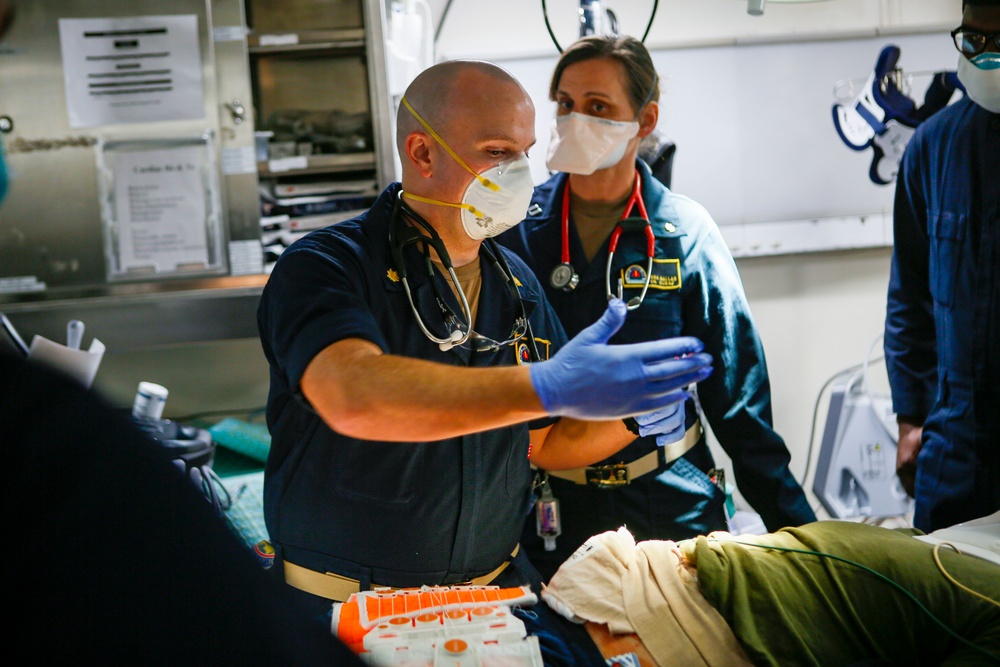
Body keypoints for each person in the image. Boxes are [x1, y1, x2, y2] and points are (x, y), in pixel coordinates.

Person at [255, 59, 714, 626]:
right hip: (347, 609)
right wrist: (542, 384)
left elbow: (544, 444)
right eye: (498, 153)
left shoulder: (515, 283)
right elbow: (352, 393)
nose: (520, 173)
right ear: (422, 153)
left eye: (525, 152)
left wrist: (635, 416)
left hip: (494, 601)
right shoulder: (327, 266)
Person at [497, 35, 815, 579]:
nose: (575, 120)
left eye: (598, 107)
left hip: (670, 502)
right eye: (565, 105)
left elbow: (741, 411)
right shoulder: (514, 231)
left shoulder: (687, 234)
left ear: (645, 121)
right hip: (553, 512)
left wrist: (807, 543)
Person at [885, 0, 1000, 533]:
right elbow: (909, 299)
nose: (989, 59)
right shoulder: (933, 148)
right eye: (975, 42)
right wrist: (911, 419)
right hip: (958, 452)